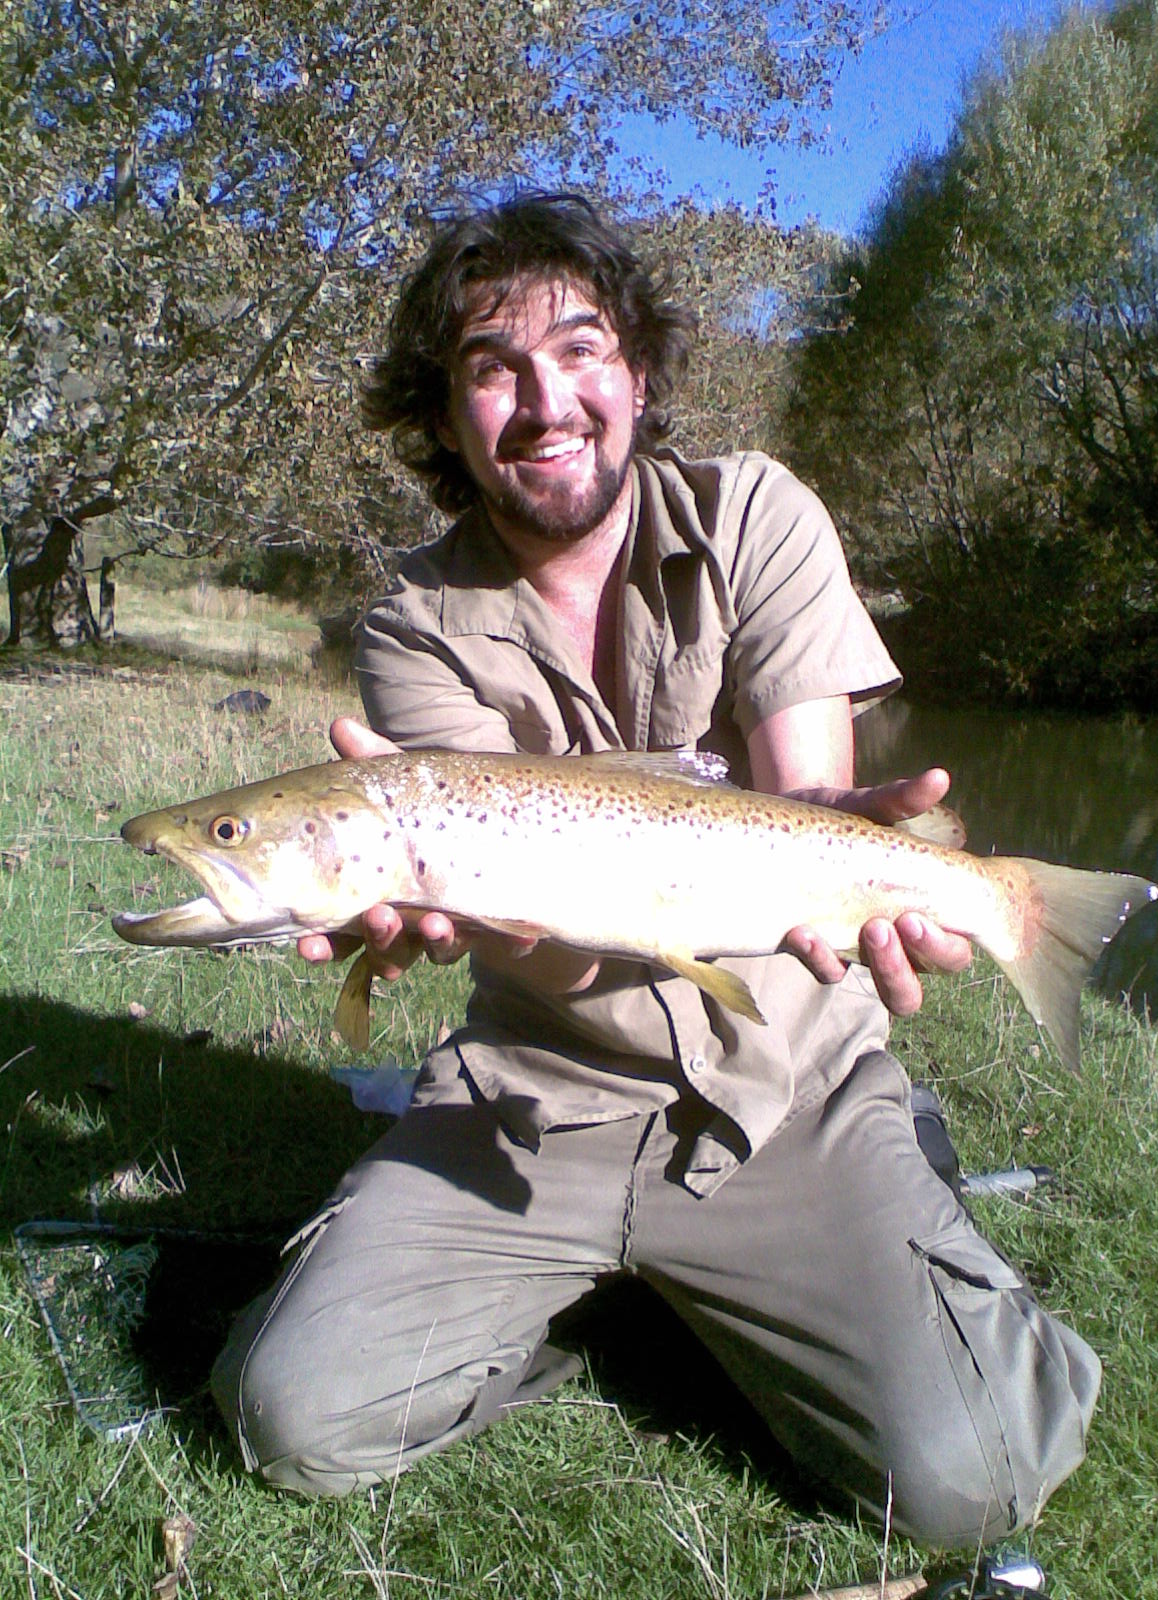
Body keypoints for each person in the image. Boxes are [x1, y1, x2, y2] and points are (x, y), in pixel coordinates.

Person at [212, 192, 1100, 1547]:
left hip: (788, 1082)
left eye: (578, 349)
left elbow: (810, 791)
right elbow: (553, 953)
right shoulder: (413, 628)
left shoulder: (758, 514)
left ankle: (879, 1204)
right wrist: (442, 911)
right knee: (290, 1416)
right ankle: (609, 1293)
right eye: (489, 369)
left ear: (635, 371)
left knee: (970, 1482)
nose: (543, 399)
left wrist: (863, 860)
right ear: (445, 416)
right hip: (540, 1090)